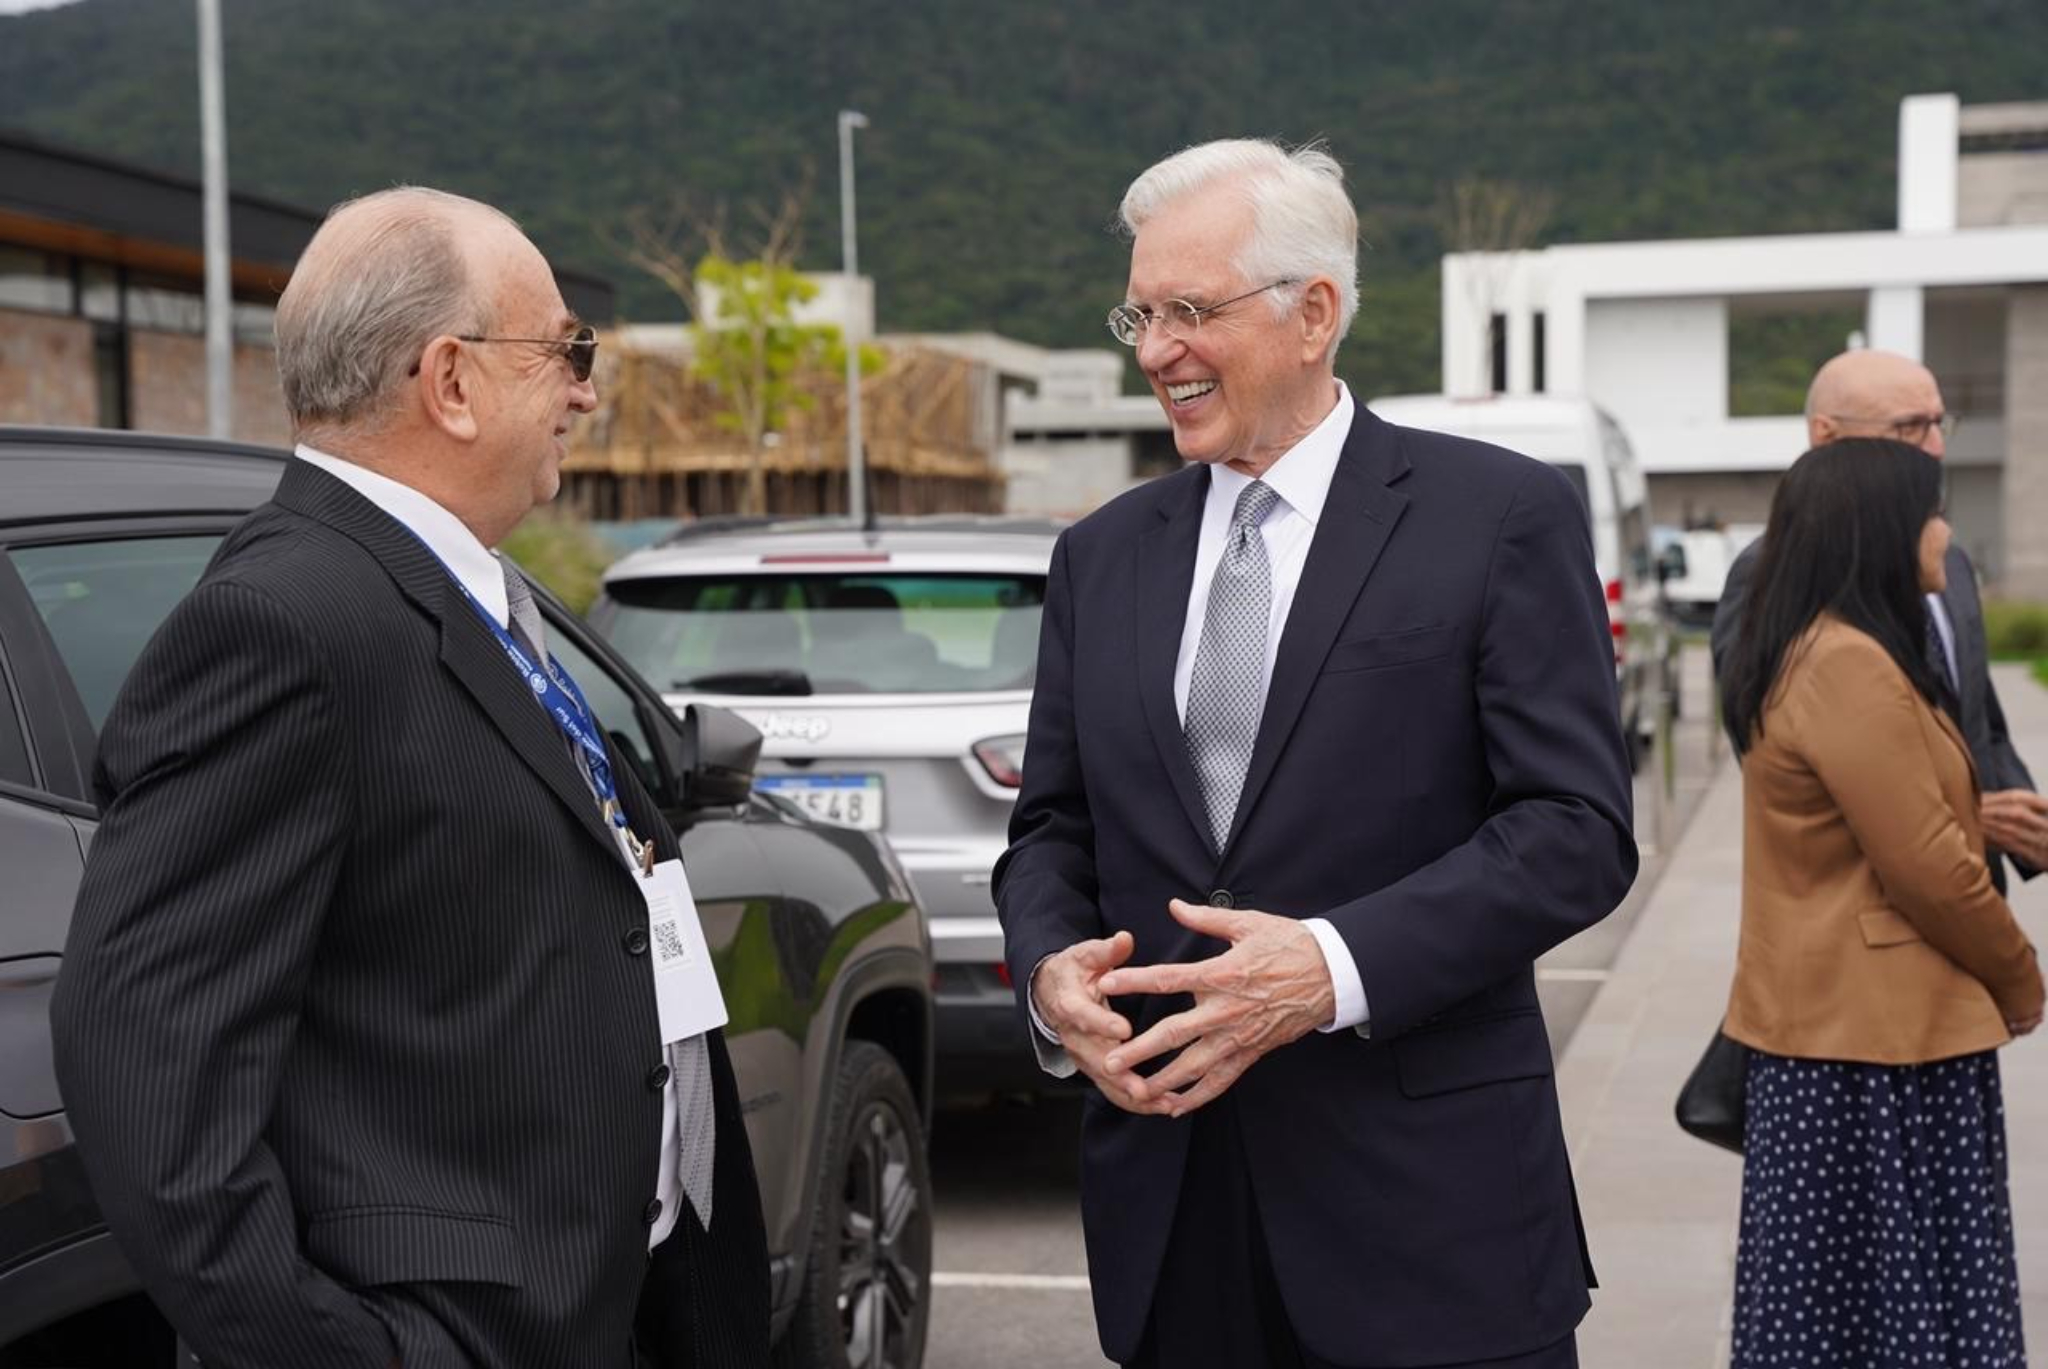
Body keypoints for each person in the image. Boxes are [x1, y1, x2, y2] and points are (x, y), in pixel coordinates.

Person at [49, 188, 769, 1368]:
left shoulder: (461, 593)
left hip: (602, 1308)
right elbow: (143, 1060)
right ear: (451, 380)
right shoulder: (282, 623)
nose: (584, 392)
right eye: (565, 352)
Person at [994, 139, 1637, 1369]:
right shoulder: (1101, 556)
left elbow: (1573, 830)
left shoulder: (1496, 517)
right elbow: (1054, 829)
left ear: (1313, 314)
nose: (1154, 351)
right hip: (1174, 1214)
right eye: (1139, 314)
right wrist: (1047, 970)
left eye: (1190, 311)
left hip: (1430, 1225)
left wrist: (1328, 967)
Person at [1717, 438, 2044, 1366]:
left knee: (1851, 1312)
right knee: (1891, 1311)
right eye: (1932, 512)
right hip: (1870, 1047)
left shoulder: (1825, 649)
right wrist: (2020, 976)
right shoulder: (1844, 663)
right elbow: (1929, 868)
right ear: (1880, 528)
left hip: (1853, 1037)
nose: (1945, 532)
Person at [1712, 349, 2048, 893]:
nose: (1936, 447)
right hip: (1866, 913)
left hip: (1974, 897)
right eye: (1911, 427)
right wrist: (1951, 816)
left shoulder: (1950, 560)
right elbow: (1777, 767)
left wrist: (2028, 828)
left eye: (1940, 423)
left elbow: (1979, 720)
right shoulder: (1770, 574)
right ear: (1826, 436)